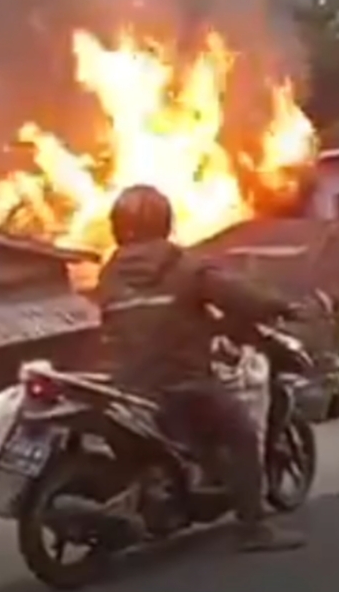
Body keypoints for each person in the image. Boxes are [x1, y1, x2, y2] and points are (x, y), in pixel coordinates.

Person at [95, 184, 307, 553]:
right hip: (182, 384)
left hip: (126, 389)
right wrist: (282, 306)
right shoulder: (185, 267)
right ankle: (253, 528)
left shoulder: (108, 275)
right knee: (241, 433)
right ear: (165, 221)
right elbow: (239, 295)